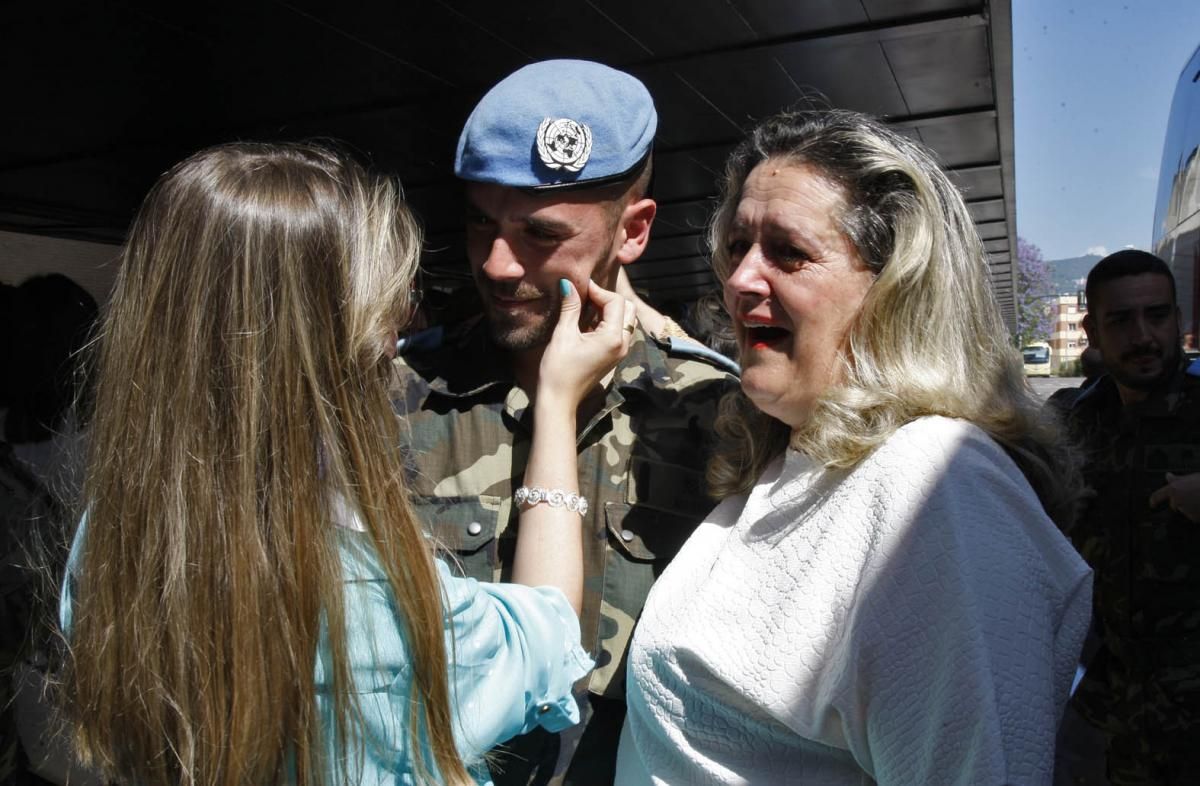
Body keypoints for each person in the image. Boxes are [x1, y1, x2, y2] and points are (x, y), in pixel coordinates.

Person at [58, 141, 638, 786]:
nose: (398, 329)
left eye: (541, 231)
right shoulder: (364, 596)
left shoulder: (108, 536)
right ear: (324, 331)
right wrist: (556, 406)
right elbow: (546, 640)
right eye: (390, 298)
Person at [615, 108, 1093, 784]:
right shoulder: (796, 456)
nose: (740, 280)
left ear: (896, 290)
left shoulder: (937, 486)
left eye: (788, 252)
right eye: (737, 247)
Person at [393, 59, 738, 785]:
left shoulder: (720, 414)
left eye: (540, 235)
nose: (495, 263)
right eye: (481, 222)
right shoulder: (394, 395)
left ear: (634, 232)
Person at [1064, 249, 1200, 784]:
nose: (1144, 336)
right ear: (1092, 332)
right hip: (1123, 720)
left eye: (1158, 315)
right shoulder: (1079, 426)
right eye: (1121, 320)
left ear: (1180, 322)